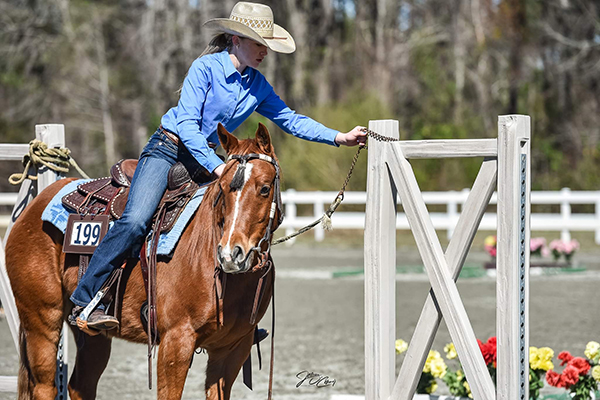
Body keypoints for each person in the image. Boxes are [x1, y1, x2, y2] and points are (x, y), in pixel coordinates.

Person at [70, 1, 367, 330]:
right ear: (236, 40)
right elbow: (186, 126)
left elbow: (291, 120)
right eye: (259, 44)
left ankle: (230, 319)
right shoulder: (204, 69)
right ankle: (86, 298)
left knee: (230, 222)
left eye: (267, 46)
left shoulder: (257, 85)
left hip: (208, 160)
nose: (265, 53)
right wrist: (218, 167)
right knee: (137, 220)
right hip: (169, 149)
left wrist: (340, 137)